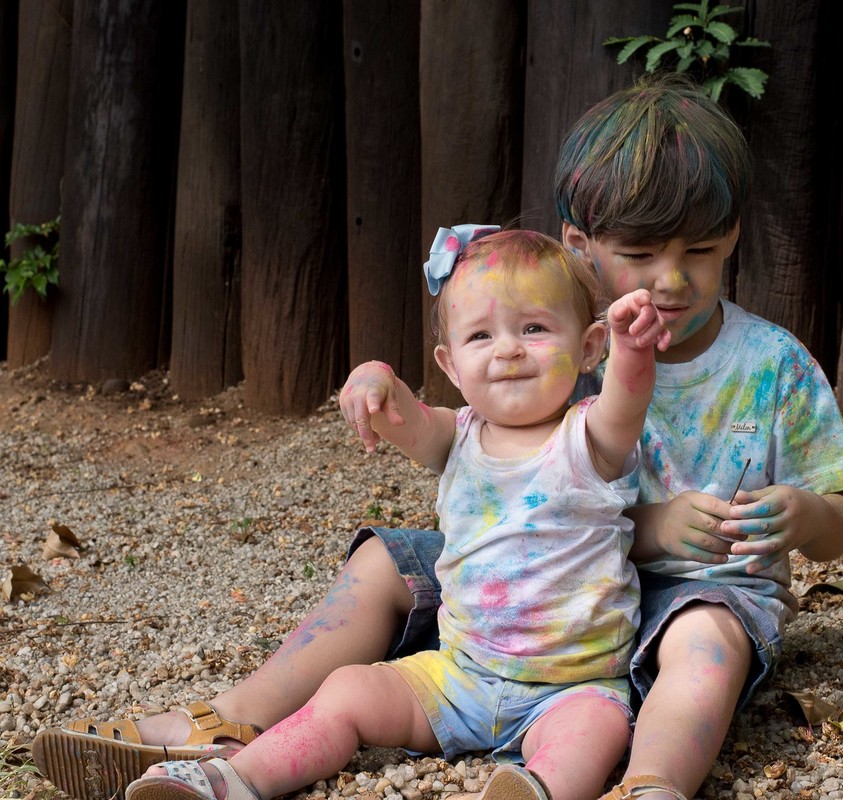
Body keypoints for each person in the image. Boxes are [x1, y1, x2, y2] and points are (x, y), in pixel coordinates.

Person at [34, 74, 843, 800]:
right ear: (578, 248)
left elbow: (842, 523)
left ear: (735, 237)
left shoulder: (770, 365)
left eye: (702, 252)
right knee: (385, 560)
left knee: (705, 636)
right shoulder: (551, 344)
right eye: (638, 255)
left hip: (683, 596)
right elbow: (468, 447)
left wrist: (805, 515)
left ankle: (652, 783)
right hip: (531, 585)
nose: (671, 281)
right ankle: (235, 720)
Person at [120, 226, 669, 800]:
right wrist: (375, 378)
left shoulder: (590, 438)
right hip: (459, 677)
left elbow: (626, 399)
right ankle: (234, 779)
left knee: (596, 731)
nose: (508, 349)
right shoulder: (457, 438)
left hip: (571, 685)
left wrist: (633, 349)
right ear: (450, 364)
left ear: (587, 347)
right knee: (347, 690)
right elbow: (404, 418)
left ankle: (538, 789)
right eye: (481, 335)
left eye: (533, 328)